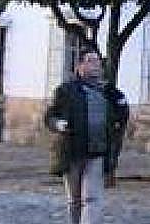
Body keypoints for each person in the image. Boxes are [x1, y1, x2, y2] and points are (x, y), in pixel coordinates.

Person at [44, 49, 130, 224]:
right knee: (74, 199)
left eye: (98, 61)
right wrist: (59, 124)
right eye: (90, 61)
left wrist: (121, 108)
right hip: (73, 151)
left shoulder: (108, 91)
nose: (96, 65)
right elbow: (50, 117)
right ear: (79, 66)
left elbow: (122, 114)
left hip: (98, 152)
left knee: (93, 198)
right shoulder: (66, 90)